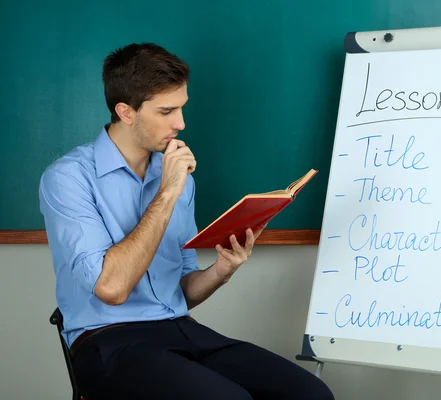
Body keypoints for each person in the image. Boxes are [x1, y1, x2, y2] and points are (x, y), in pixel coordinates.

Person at [39, 42, 334, 400]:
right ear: (126, 112)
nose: (181, 123)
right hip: (107, 340)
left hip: (179, 329)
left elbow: (182, 291)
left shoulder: (179, 177)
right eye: (167, 111)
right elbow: (112, 289)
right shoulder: (68, 178)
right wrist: (166, 193)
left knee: (310, 393)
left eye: (181, 107)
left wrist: (222, 270)